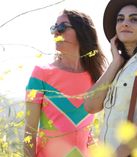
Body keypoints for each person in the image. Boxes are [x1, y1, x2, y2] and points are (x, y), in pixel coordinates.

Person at [84, 0, 137, 156]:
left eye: (134, 19)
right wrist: (115, 62)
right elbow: (90, 106)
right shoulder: (119, 68)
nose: (125, 23)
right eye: (120, 19)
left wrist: (120, 153)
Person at [24, 9, 107, 157]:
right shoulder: (40, 74)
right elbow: (30, 132)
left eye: (62, 27)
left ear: (81, 32)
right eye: (54, 28)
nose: (56, 32)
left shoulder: (96, 77)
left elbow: (87, 132)